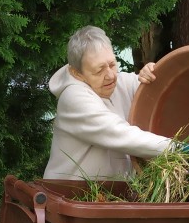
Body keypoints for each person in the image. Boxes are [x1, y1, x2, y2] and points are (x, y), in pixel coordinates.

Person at [43, 25, 173, 180]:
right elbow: (122, 135)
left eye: (112, 64)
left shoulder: (120, 82)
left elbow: (162, 92)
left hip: (111, 198)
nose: (111, 76)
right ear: (77, 73)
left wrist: (154, 73)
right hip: (69, 197)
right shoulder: (73, 98)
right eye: (99, 71)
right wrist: (185, 150)